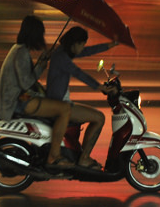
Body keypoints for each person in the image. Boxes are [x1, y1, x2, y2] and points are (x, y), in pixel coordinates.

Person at [0, 15, 75, 170]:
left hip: (17, 99)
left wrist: (42, 61)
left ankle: (45, 148)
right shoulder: (21, 53)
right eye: (41, 34)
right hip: (17, 102)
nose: (42, 38)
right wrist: (42, 66)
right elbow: (26, 83)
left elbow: (27, 77)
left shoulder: (19, 50)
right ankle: (54, 156)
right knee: (64, 109)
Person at [46, 26, 117, 170]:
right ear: (75, 43)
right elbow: (78, 73)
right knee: (99, 118)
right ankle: (84, 159)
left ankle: (79, 155)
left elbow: (87, 51)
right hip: (60, 104)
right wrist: (99, 87)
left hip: (61, 102)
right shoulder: (61, 57)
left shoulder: (62, 52)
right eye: (82, 44)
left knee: (95, 115)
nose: (83, 47)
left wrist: (110, 45)